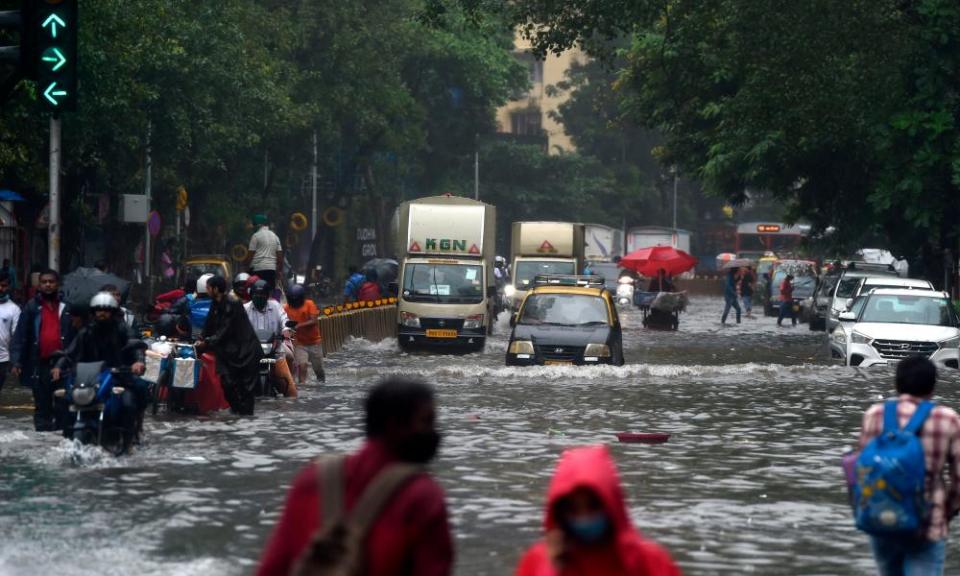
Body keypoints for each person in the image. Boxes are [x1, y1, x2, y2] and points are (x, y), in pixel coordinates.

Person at [257, 377, 453, 575]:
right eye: (426, 422)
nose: (434, 433)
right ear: (395, 425)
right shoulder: (422, 496)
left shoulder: (311, 479)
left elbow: (272, 567)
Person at [857, 356, 960, 576]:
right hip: (928, 522)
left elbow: (861, 468)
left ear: (897, 384)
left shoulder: (874, 414)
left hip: (882, 518)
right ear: (932, 387)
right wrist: (947, 511)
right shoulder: (948, 419)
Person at [516, 445, 681, 576]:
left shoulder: (649, 561)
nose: (584, 518)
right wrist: (551, 569)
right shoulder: (538, 561)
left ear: (611, 504)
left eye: (593, 506)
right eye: (573, 509)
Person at [55, 292, 147, 442]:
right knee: (65, 399)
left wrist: (138, 361)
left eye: (106, 310)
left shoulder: (122, 329)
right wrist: (59, 366)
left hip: (118, 377)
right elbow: (69, 353)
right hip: (90, 379)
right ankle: (66, 435)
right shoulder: (86, 332)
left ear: (113, 312)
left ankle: (130, 438)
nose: (102, 313)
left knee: (131, 399)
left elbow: (135, 346)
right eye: (98, 310)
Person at [10, 269, 75, 431]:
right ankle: (42, 435)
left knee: (64, 404)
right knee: (41, 403)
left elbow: (76, 335)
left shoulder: (67, 307)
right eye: (44, 282)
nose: (47, 285)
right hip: (40, 363)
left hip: (64, 364)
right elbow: (21, 335)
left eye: (51, 282)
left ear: (57, 284)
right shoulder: (31, 307)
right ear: (39, 285)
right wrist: (17, 361)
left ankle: (61, 440)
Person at [197, 275, 263, 415]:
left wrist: (207, 342)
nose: (207, 291)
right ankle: (237, 415)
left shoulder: (232, 303)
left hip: (246, 351)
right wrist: (201, 337)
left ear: (216, 289)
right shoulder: (215, 302)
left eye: (208, 288)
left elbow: (225, 329)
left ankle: (245, 418)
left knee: (246, 390)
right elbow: (209, 323)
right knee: (226, 383)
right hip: (228, 352)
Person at [283, 284, 325, 384]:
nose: (295, 301)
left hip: (314, 342)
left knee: (318, 369)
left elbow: (314, 320)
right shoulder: (286, 308)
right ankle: (303, 387)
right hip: (299, 343)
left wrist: (298, 326)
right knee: (302, 365)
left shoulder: (309, 304)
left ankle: (322, 383)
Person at [246, 214, 283, 292]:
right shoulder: (275, 237)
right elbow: (280, 258)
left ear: (259, 225)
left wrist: (245, 268)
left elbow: (250, 256)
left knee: (257, 292)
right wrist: (279, 271)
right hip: (271, 271)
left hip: (257, 271)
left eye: (254, 225)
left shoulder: (255, 236)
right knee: (269, 292)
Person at [0, 271, 21, 396]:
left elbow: (16, 336)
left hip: (3, 359)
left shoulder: (14, 309)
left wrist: (15, 361)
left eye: (3, 285)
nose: (0, 288)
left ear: (8, 287)